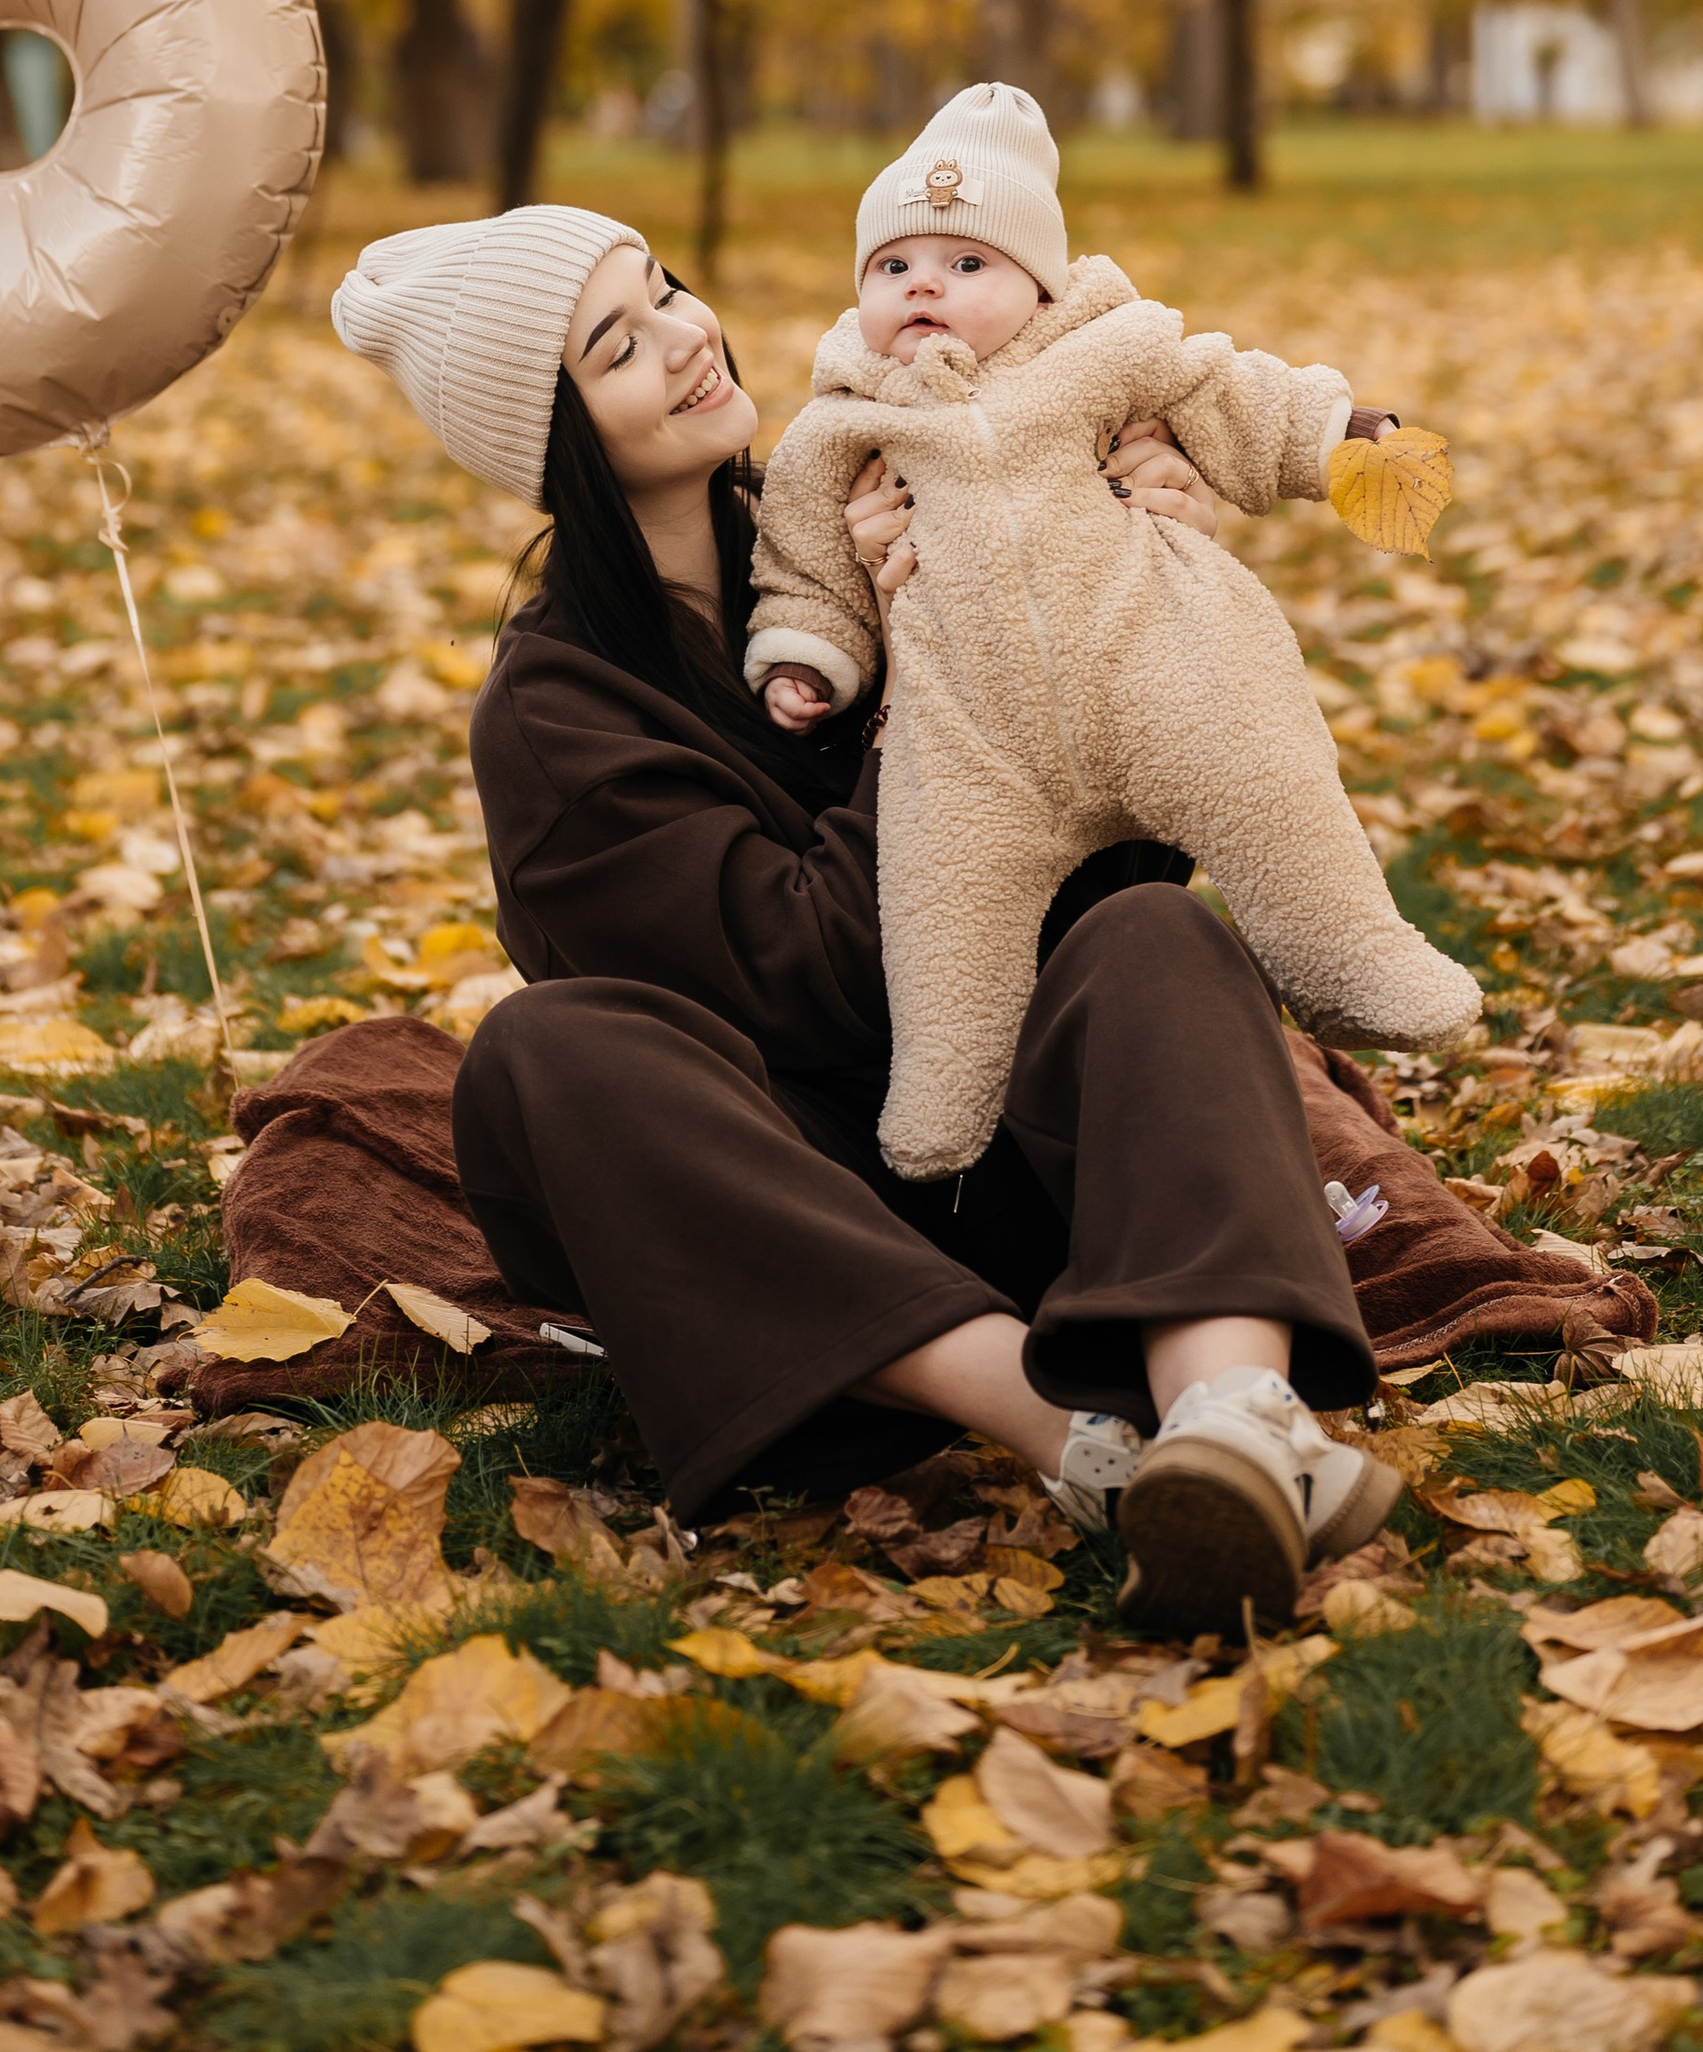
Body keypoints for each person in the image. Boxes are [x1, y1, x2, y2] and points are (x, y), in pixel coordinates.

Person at [330, 201, 1404, 1636]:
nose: (687, 337)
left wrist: (1136, 594)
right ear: (554, 440)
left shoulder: (878, 504)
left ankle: (1234, 1420)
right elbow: (817, 983)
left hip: (1037, 1173)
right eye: (618, 344)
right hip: (791, 1208)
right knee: (541, 1054)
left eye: (666, 289)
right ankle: (1079, 1444)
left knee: (1165, 942)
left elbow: (1114, 870)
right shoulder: (556, 713)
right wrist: (918, 708)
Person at [747, 83, 1480, 1184]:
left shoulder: (1106, 353)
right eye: (891, 267)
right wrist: (808, 650)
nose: (924, 285)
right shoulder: (844, 419)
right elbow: (801, 556)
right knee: (939, 891)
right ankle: (946, 1082)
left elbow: (1232, 393)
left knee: (1264, 777)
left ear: (1040, 285)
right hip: (971, 732)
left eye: (965, 262)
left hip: (1157, 666)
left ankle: (1348, 955)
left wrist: (1339, 431)